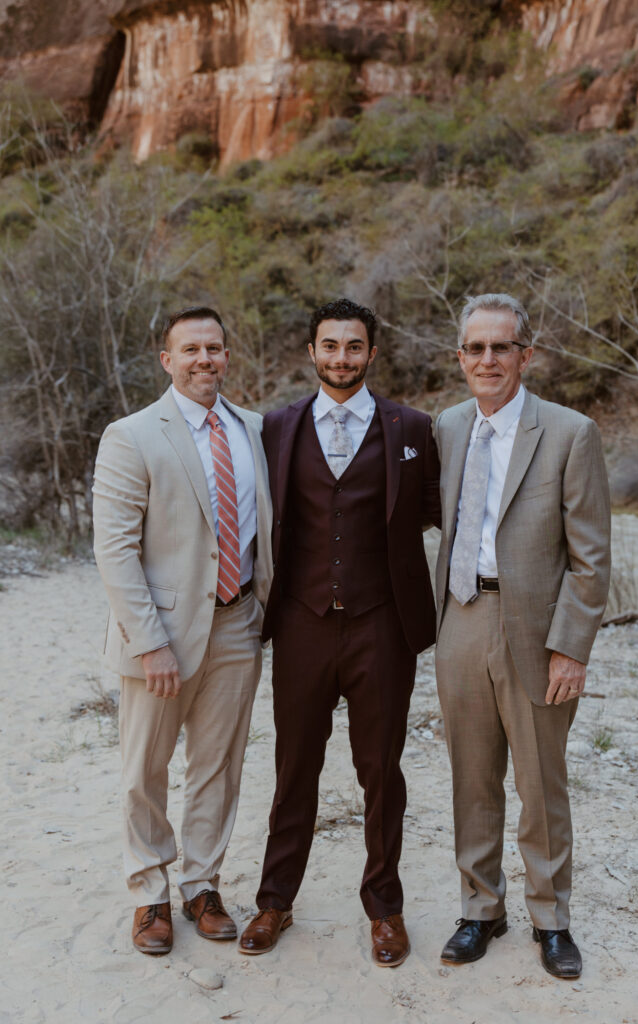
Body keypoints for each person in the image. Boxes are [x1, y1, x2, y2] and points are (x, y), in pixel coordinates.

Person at [238, 297, 440, 967]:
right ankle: (274, 902)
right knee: (294, 767)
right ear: (311, 352)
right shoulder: (276, 428)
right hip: (301, 623)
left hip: (382, 624)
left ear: (371, 354)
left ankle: (384, 909)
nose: (341, 358)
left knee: (380, 772)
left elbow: (446, 511)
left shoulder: (412, 428)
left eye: (353, 347)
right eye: (330, 346)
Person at [434, 293, 611, 979]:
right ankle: (480, 909)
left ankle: (550, 918)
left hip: (536, 630)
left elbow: (590, 557)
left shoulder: (569, 433)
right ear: (459, 358)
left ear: (524, 355)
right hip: (460, 617)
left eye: (499, 347)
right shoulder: (446, 428)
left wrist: (570, 646)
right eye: (474, 348)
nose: (487, 360)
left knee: (540, 784)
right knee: (470, 779)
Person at [92, 306, 272, 956]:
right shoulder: (132, 434)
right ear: (167, 360)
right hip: (160, 633)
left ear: (228, 355)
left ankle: (202, 886)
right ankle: (149, 896)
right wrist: (149, 640)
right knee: (145, 768)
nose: (205, 360)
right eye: (190, 349)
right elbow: (114, 550)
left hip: (238, 625)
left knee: (217, 767)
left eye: (215, 349)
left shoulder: (255, 429)